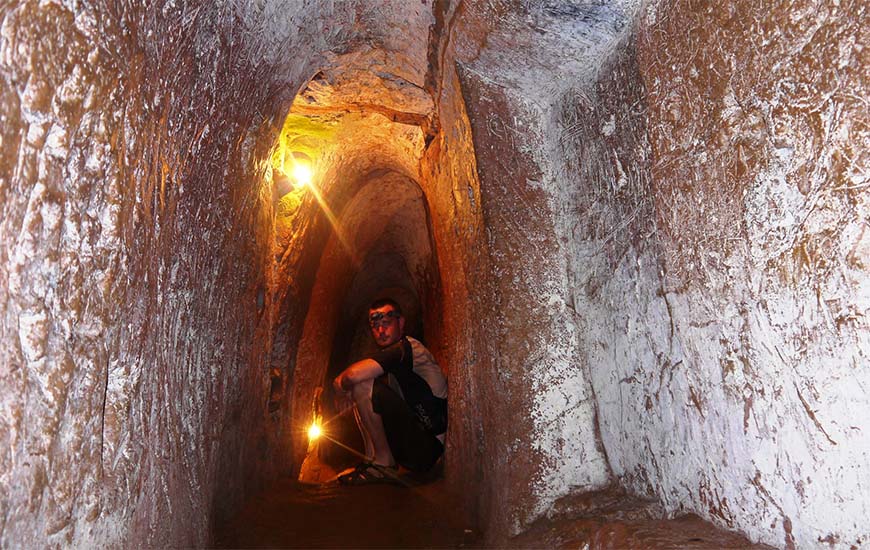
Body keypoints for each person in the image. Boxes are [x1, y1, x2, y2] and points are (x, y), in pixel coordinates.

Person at [332, 298, 447, 484]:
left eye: (386, 323)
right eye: (375, 325)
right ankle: (372, 461)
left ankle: (383, 464)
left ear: (400, 323)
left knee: (362, 383)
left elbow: (352, 375)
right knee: (360, 386)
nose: (380, 330)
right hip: (416, 444)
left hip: (430, 449)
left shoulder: (407, 349)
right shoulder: (396, 364)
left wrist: (339, 389)